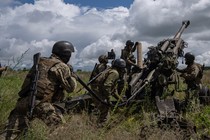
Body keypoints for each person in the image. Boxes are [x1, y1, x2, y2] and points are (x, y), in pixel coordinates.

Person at [5, 41, 77, 139]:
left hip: (23, 102)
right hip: (41, 104)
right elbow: (70, 89)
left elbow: (26, 85)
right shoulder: (62, 66)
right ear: (66, 54)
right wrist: (72, 75)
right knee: (61, 129)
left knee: (10, 134)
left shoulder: (40, 61)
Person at [91, 58, 126, 127]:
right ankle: (101, 126)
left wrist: (120, 100)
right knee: (105, 108)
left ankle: (100, 124)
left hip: (97, 91)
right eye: (122, 69)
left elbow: (113, 90)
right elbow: (107, 86)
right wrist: (108, 99)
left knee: (104, 110)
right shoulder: (115, 73)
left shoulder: (111, 71)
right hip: (98, 92)